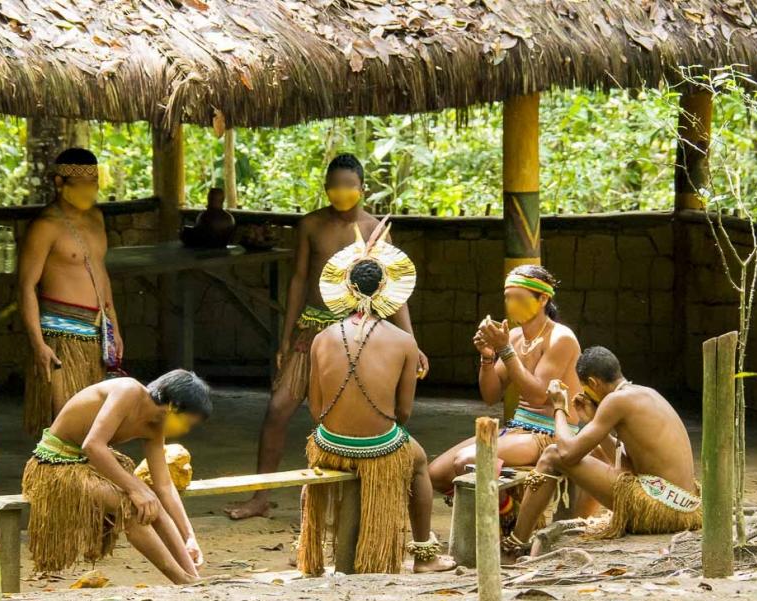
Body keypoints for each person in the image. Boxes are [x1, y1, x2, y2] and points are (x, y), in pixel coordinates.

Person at [225, 154, 428, 519]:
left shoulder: (375, 230)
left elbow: (393, 290)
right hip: (311, 329)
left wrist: (411, 341)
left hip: (356, 334)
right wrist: (286, 338)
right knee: (277, 409)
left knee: (338, 416)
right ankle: (260, 496)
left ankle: (345, 500)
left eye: (348, 186)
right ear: (325, 188)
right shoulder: (311, 225)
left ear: (362, 188)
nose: (341, 193)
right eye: (334, 186)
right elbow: (299, 280)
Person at [297, 223, 455, 575]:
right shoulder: (403, 342)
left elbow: (314, 408)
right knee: (418, 463)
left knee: (340, 437)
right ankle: (425, 556)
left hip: (328, 444)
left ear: (346, 288)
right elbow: (404, 412)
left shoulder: (322, 338)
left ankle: (311, 556)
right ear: (387, 290)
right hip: (380, 446)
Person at [504, 347, 702, 553]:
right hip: (684, 509)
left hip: (662, 510)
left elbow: (566, 454)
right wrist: (594, 422)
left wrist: (559, 408)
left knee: (551, 455)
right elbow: (629, 469)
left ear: (593, 383)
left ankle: (516, 544)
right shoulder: (644, 393)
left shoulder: (615, 401)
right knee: (596, 449)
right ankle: (570, 524)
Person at [21, 370, 211, 585]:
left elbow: (164, 486)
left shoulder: (156, 428)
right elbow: (92, 445)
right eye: (188, 422)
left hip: (89, 463)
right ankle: (182, 580)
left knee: (153, 503)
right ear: (173, 406)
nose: (186, 429)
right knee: (131, 509)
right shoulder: (128, 390)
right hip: (56, 463)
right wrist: (135, 489)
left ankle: (193, 578)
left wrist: (190, 536)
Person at [428, 266, 583, 517]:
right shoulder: (514, 336)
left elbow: (538, 396)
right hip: (518, 429)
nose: (512, 304)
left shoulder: (560, 338)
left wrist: (506, 350)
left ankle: (509, 522)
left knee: (466, 461)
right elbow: (490, 396)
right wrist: (488, 358)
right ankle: (507, 510)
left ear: (543, 299)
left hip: (551, 433)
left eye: (519, 298)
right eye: (508, 297)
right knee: (436, 474)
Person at [18, 148, 124, 439]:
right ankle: (56, 482)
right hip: (60, 337)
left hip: (97, 335)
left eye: (94, 183)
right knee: (65, 426)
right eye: (82, 185)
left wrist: (114, 328)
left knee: (95, 427)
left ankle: (87, 483)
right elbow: (26, 286)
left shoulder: (97, 219)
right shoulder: (45, 226)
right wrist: (38, 344)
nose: (90, 191)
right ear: (59, 183)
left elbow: (102, 275)